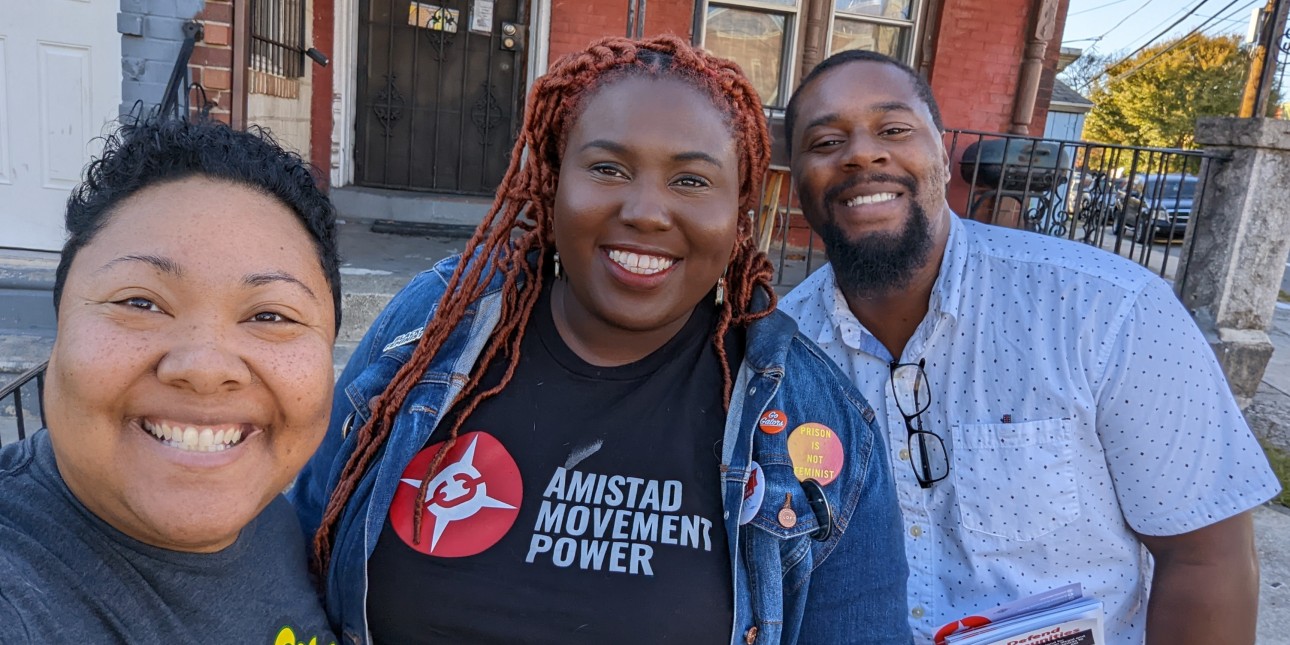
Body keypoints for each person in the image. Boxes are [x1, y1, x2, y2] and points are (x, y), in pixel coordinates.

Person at [291, 35, 910, 645]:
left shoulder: (818, 423)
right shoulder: (433, 327)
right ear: (554, 186)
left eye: (692, 181)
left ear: (740, 215)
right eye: (607, 168)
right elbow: (302, 553)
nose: (645, 211)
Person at [778, 49, 1281, 644]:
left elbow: (1206, 557)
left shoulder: (1109, 309)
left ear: (941, 152)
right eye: (826, 141)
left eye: (893, 129)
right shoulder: (776, 348)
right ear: (796, 180)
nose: (862, 152)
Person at [0, 117, 340, 644]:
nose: (205, 369)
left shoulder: (272, 515)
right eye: (140, 302)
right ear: (59, 329)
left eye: (271, 315)